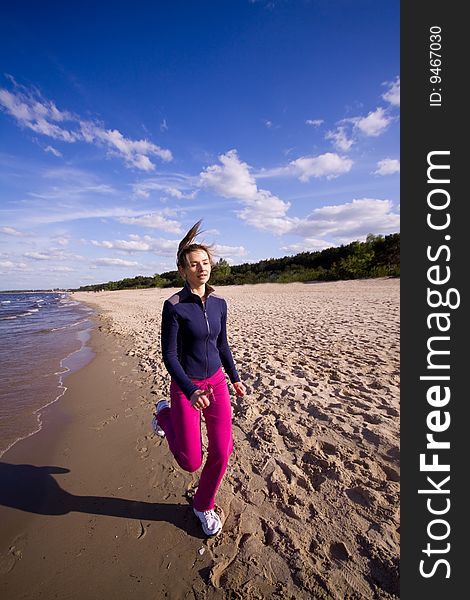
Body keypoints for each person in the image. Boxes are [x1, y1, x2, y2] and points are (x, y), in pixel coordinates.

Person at [154, 220, 246, 536]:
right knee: (191, 462)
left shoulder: (220, 303)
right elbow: (169, 356)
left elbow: (221, 344)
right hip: (186, 388)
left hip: (216, 383)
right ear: (183, 270)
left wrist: (234, 378)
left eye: (205, 263)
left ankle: (202, 504)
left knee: (222, 450)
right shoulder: (174, 306)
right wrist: (190, 390)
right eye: (194, 265)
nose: (201, 269)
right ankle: (164, 414)